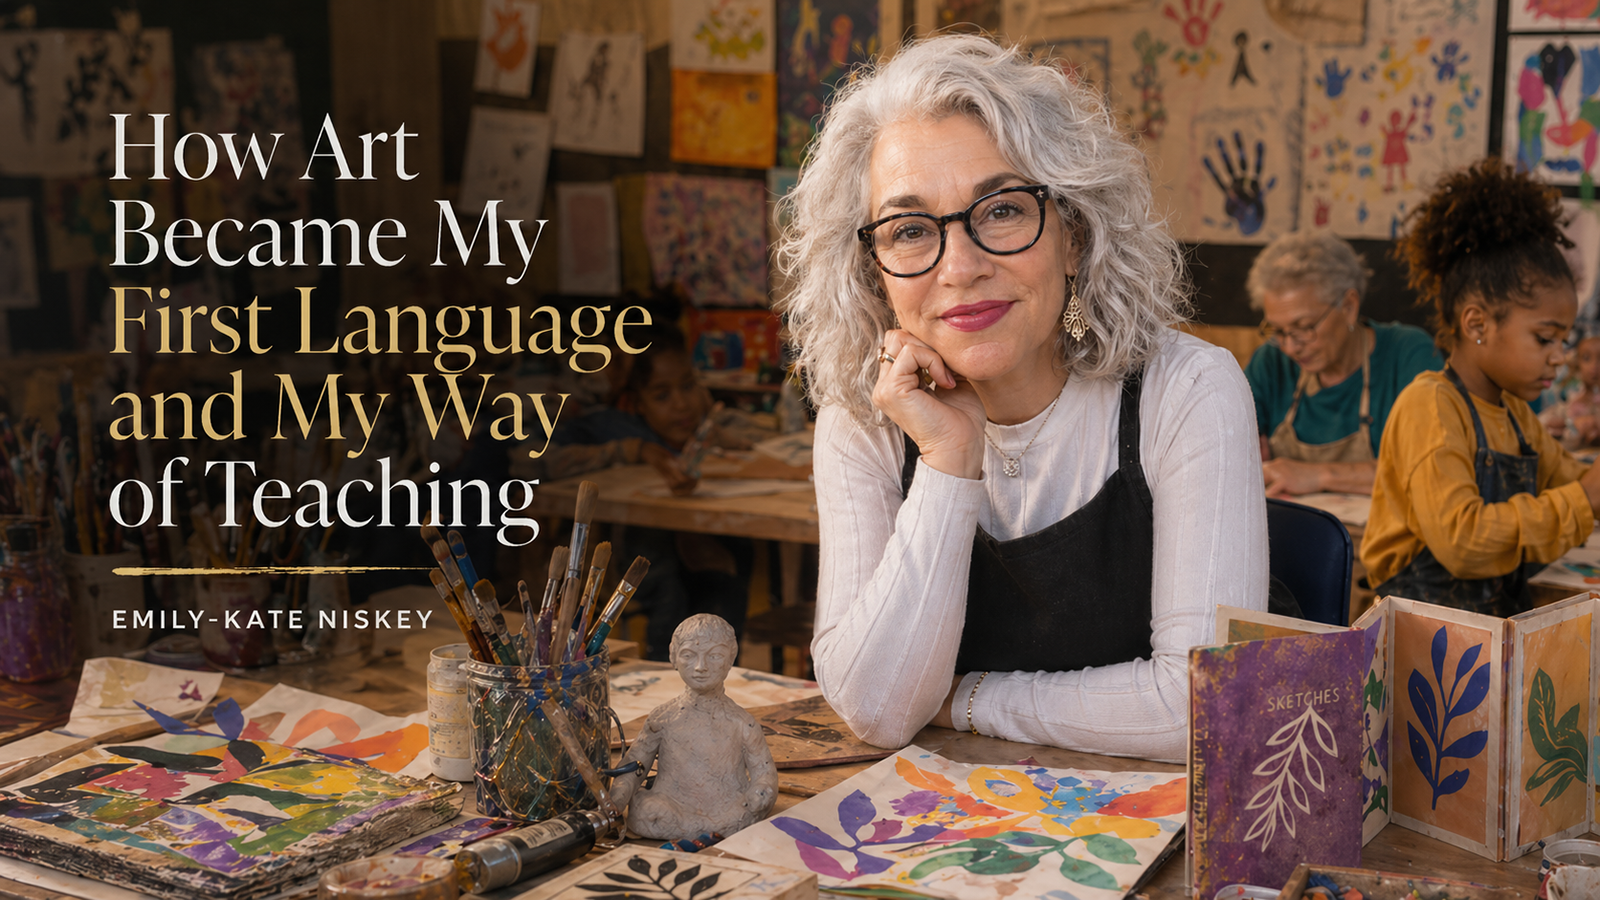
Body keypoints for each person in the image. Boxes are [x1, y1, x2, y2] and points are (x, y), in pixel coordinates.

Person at [779, 34, 1267, 762]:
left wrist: (968, 699)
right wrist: (949, 459)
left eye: (1002, 210)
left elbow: (1206, 704)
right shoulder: (865, 419)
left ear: (1074, 235)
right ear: (873, 272)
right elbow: (877, 710)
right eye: (910, 230)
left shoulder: (1186, 390)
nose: (961, 266)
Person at [1362, 158, 1600, 617]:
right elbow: (1463, 541)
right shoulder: (1431, 406)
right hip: (1420, 637)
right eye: (1545, 338)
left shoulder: (1515, 413)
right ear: (1477, 323)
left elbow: (1573, 480)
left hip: (1490, 624)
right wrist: (1583, 499)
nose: (1560, 356)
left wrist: (1587, 490)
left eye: (1565, 341)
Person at [511, 327, 756, 660]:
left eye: (688, 386)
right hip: (641, 567)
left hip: (698, 552)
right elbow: (531, 462)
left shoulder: (704, 428)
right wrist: (632, 450)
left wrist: (722, 439)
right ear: (635, 402)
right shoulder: (611, 426)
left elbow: (756, 432)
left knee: (727, 581)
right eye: (661, 395)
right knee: (668, 592)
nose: (682, 404)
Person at [1244, 232, 1442, 497]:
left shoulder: (1407, 354)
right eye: (1278, 331)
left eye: (1304, 328)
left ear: (1349, 306)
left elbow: (1430, 471)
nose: (1290, 347)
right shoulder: (1270, 362)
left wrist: (1317, 475)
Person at [608, 614, 777, 839]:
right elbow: (634, 764)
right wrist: (618, 797)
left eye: (715, 656)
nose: (700, 667)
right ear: (673, 657)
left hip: (727, 809)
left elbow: (763, 770)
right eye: (688, 655)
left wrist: (762, 791)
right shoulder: (663, 718)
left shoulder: (741, 722)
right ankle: (706, 828)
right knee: (647, 811)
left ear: (730, 660)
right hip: (669, 808)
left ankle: (709, 825)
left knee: (743, 812)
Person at [1541, 330, 1600, 446]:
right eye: (1587, 358)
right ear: (1577, 363)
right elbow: (1542, 423)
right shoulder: (1570, 400)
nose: (1594, 366)